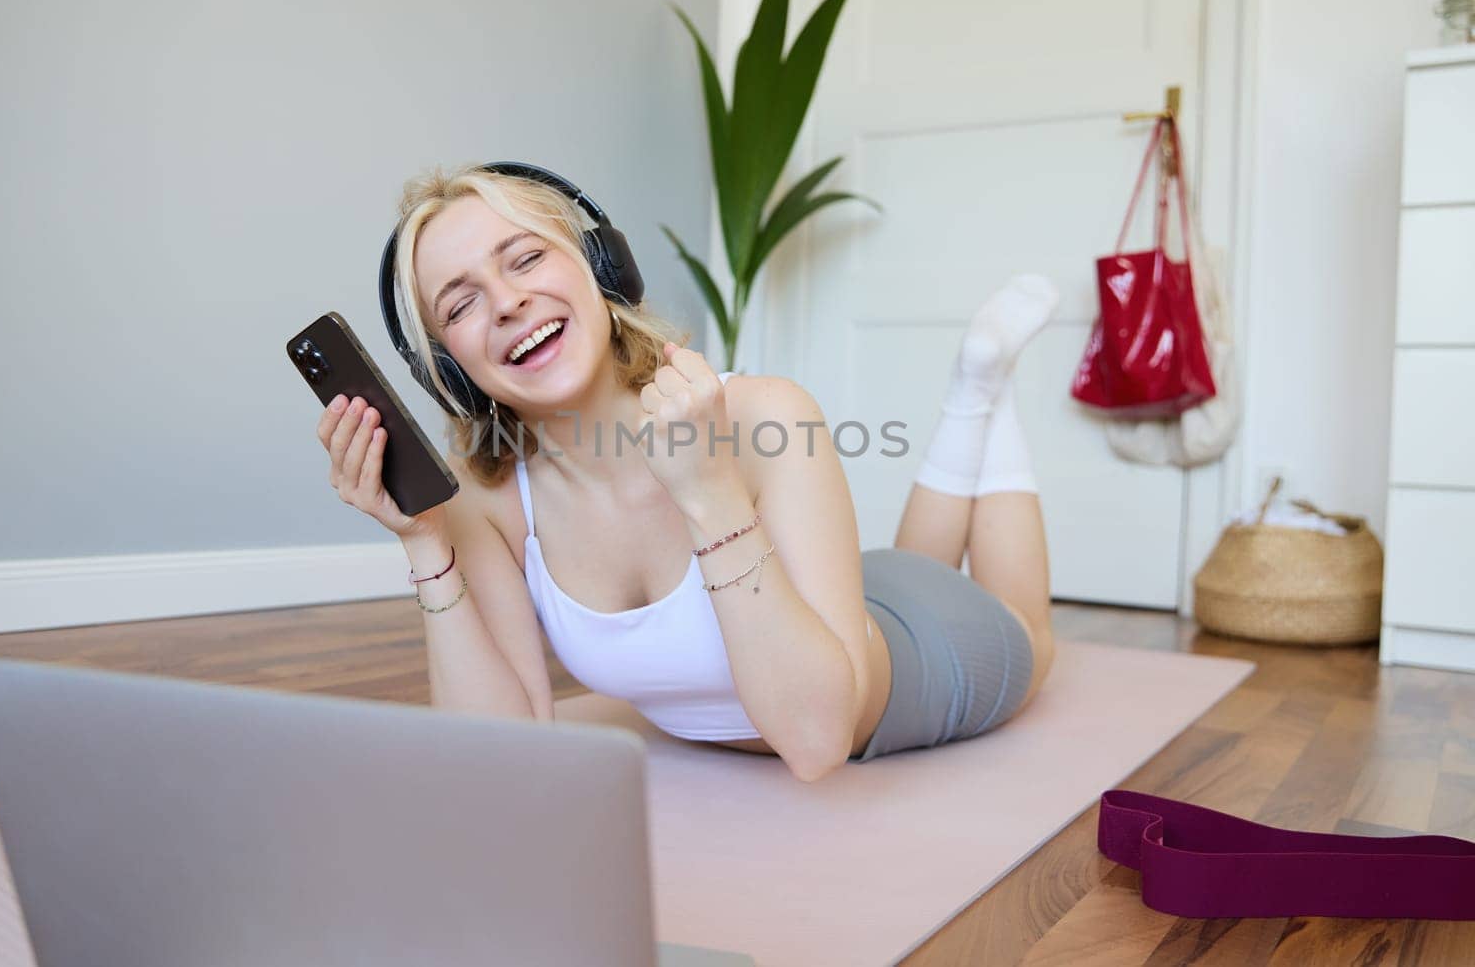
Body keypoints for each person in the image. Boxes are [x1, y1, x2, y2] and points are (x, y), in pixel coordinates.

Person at [316, 164, 1059, 783]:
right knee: (903, 568)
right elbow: (501, 755)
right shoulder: (485, 499)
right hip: (833, 607)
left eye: (526, 258)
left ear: (599, 265)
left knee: (1028, 625)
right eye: (462, 303)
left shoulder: (762, 416)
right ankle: (975, 395)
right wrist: (423, 544)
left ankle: (979, 398)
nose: (508, 302)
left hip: (929, 659)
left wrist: (707, 490)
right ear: (447, 364)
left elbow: (816, 741)